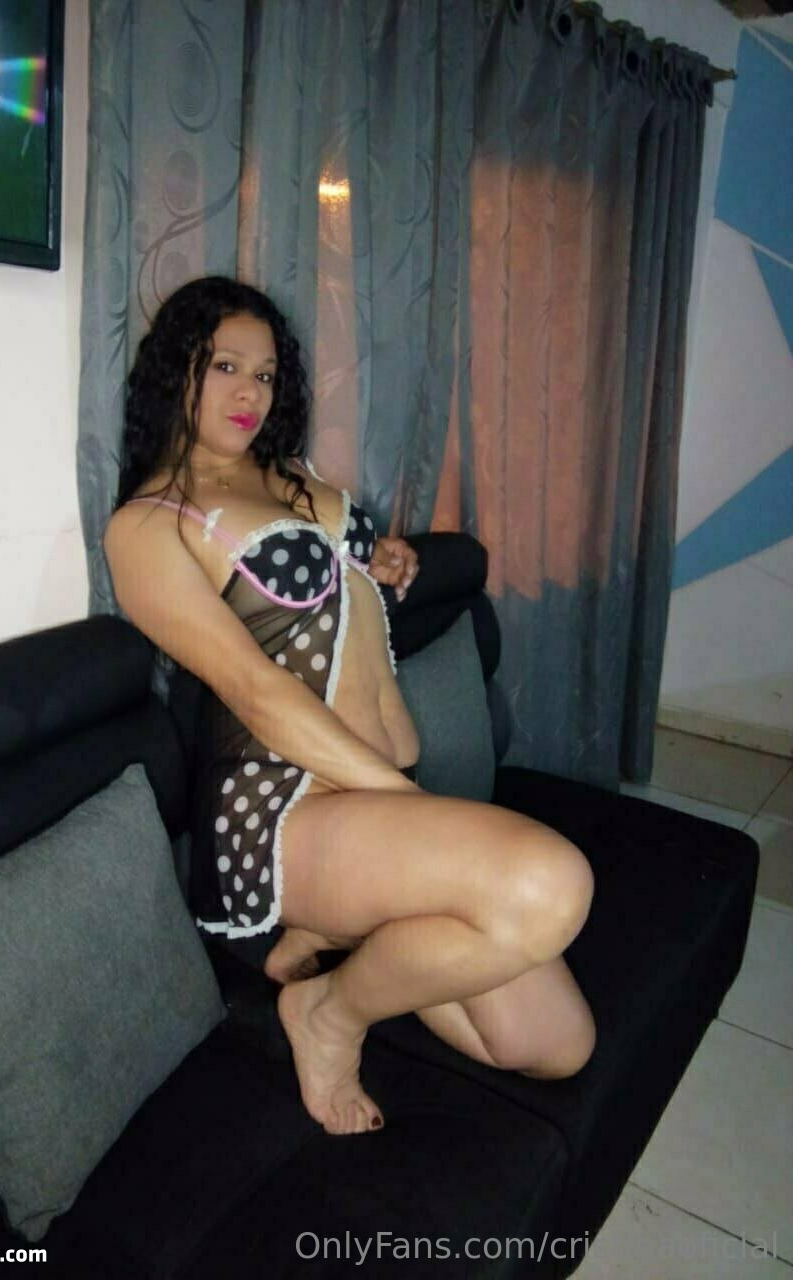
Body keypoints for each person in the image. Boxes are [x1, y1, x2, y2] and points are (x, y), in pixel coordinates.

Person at [104, 276, 596, 1137]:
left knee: (556, 1045)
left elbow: (336, 584)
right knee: (553, 886)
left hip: (371, 796)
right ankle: (328, 1013)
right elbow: (255, 688)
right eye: (224, 366)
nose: (250, 392)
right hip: (288, 809)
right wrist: (402, 798)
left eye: (265, 374)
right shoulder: (151, 525)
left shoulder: (291, 475)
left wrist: (385, 559)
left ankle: (336, 944)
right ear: (174, 371)